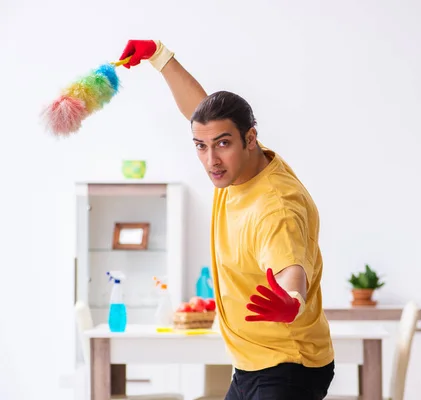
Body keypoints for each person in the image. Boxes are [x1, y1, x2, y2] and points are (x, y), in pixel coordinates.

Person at [118, 40, 335, 400]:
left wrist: (291, 298)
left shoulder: (275, 205)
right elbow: (200, 113)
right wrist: (159, 56)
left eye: (222, 144)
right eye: (200, 146)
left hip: (288, 366)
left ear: (250, 138)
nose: (210, 160)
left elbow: (289, 265)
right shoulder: (238, 169)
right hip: (252, 364)